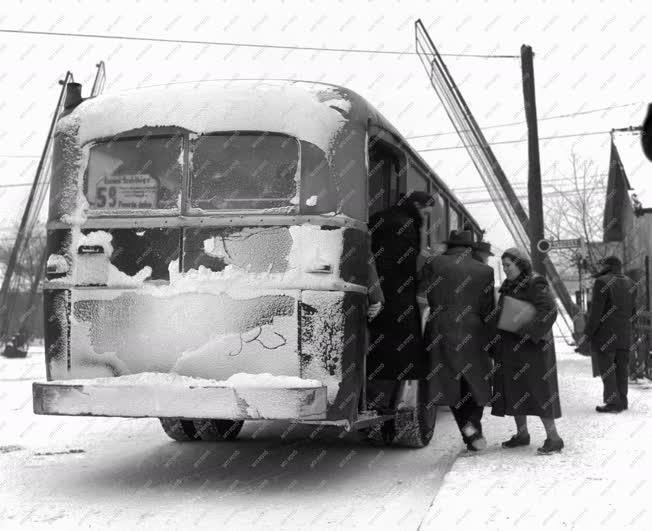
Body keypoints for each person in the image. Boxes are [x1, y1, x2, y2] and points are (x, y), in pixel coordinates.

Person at [421, 229, 495, 451]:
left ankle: (469, 430)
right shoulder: (485, 271)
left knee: (448, 382)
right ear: (471, 248)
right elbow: (488, 309)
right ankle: (472, 427)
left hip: (440, 326)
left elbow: (423, 292)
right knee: (476, 382)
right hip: (474, 329)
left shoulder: (434, 263)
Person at [366, 191, 436, 414]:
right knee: (398, 353)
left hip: (376, 292)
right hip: (397, 296)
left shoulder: (381, 217)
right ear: (417, 205)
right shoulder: (406, 224)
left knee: (378, 349)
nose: (426, 216)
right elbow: (405, 265)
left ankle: (375, 400)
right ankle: (386, 407)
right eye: (425, 211)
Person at [491, 247, 564, 455]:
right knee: (516, 390)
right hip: (511, 348)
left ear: (520, 264)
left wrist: (525, 330)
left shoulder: (535, 282)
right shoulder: (507, 285)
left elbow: (549, 309)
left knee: (540, 392)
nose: (505, 269)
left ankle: (554, 438)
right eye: (503, 265)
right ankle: (522, 434)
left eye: (508, 265)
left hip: (533, 349)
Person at [583, 256, 637, 413]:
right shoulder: (631, 283)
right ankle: (622, 401)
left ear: (607, 266)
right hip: (624, 335)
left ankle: (613, 404)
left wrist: (587, 334)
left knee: (608, 370)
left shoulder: (602, 282)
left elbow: (596, 313)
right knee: (622, 369)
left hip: (605, 336)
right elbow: (633, 312)